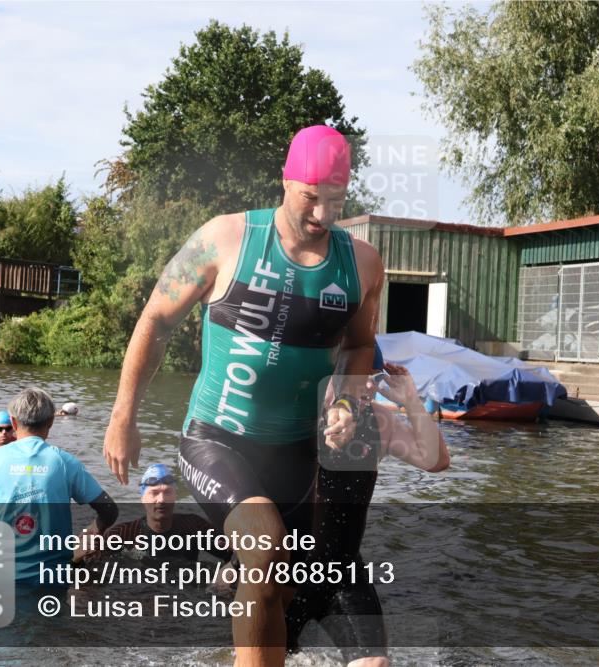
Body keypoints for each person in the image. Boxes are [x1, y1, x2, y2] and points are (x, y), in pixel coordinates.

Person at [103, 124, 385, 665]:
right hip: (218, 441)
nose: (322, 216)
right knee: (262, 546)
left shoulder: (364, 265)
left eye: (336, 202)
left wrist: (347, 403)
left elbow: (359, 347)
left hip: (300, 456)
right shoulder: (224, 238)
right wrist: (124, 417)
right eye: (310, 198)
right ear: (285, 181)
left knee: (287, 589)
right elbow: (156, 321)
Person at [286, 351, 449, 666]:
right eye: (361, 378)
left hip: (343, 568)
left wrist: (411, 401)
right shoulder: (302, 412)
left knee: (374, 662)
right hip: (288, 563)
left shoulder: (379, 420)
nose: (370, 387)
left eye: (374, 378)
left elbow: (436, 461)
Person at [0, 387, 118, 584]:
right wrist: (89, 534)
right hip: (53, 580)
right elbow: (109, 510)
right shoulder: (65, 462)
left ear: (13, 423)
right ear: (51, 422)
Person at [80, 464, 229, 566]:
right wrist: (81, 554)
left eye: (167, 493)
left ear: (175, 496)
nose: (161, 500)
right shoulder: (122, 534)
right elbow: (92, 567)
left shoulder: (195, 526)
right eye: (154, 493)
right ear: (143, 498)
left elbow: (233, 555)